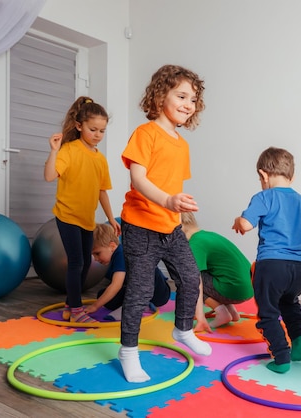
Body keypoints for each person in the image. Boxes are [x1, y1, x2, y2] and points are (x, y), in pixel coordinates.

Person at [118, 64, 212, 383]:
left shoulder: (182, 144)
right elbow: (138, 179)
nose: (189, 104)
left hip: (170, 227)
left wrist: (178, 204)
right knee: (140, 290)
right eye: (181, 96)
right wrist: (168, 201)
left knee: (190, 278)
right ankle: (128, 352)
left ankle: (183, 329)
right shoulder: (145, 134)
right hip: (141, 227)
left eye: (193, 99)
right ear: (161, 97)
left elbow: (174, 186)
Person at [232, 146, 301, 374]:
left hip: (272, 266)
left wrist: (239, 220)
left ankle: (281, 357)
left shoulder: (264, 196)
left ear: (263, 175)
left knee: (268, 312)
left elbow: (247, 225)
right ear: (292, 176)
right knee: (290, 302)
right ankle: (299, 344)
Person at [44, 96, 120, 324]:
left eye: (102, 131)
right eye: (93, 129)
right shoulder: (69, 150)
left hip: (87, 218)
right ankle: (76, 311)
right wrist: (54, 151)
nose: (97, 135)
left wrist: (109, 218)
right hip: (67, 215)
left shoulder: (100, 159)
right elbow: (49, 176)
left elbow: (102, 191)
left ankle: (70, 305)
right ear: (79, 126)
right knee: (76, 263)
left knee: (87, 263)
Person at [180, 212, 254, 332]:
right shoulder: (207, 235)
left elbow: (194, 282)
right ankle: (232, 313)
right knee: (217, 274)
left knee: (188, 278)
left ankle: (222, 312)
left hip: (234, 290)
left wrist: (200, 317)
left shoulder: (196, 243)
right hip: (249, 288)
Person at [86, 223, 171, 320]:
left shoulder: (121, 253)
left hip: (159, 291)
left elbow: (116, 285)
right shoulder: (114, 256)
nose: (96, 259)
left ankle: (137, 307)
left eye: (97, 253)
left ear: (112, 246)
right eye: (93, 255)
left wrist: (95, 306)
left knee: (140, 275)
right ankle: (138, 304)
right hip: (139, 289)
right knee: (102, 295)